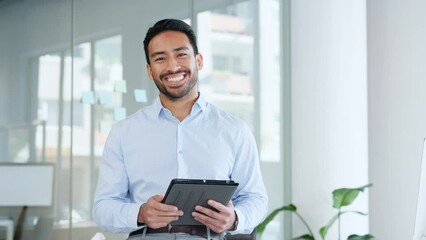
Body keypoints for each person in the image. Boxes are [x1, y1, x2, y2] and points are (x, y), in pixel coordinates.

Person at [93, 18, 268, 240]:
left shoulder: (234, 130)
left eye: (181, 54)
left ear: (199, 61)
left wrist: (235, 218)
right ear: (149, 70)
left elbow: (256, 199)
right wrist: (140, 213)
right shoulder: (124, 132)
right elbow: (102, 208)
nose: (172, 66)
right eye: (160, 58)